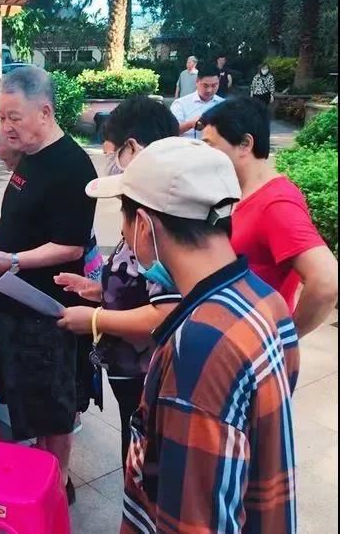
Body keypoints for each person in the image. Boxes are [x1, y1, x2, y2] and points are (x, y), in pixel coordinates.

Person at [87, 137, 299, 533]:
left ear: (144, 226)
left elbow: (194, 520)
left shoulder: (199, 349)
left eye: (125, 218)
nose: (123, 231)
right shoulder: (267, 300)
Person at [0, 67, 98, 505]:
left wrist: (11, 259)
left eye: (14, 117)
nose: (7, 127)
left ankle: (58, 483)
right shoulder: (29, 154)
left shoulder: (71, 166)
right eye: (2, 117)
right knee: (30, 400)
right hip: (13, 301)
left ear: (45, 112)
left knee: (54, 402)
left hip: (46, 308)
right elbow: (29, 214)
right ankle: (42, 467)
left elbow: (70, 246)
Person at [55, 96, 182, 465]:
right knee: (133, 444)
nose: (109, 162)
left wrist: (96, 319)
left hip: (148, 371)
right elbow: (141, 283)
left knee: (145, 459)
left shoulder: (163, 220)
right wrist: (97, 290)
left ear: (133, 148)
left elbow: (165, 313)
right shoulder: (144, 204)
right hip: (127, 366)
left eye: (111, 152)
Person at [201, 98, 338, 336]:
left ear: (245, 144)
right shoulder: (235, 191)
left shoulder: (277, 203)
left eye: (210, 145)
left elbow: (327, 282)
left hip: (252, 344)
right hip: (224, 336)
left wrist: (286, 338)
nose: (203, 155)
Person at [170, 65, 224, 139]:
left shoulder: (224, 104)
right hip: (187, 145)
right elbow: (170, 132)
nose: (209, 90)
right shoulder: (180, 104)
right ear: (197, 81)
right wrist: (190, 124)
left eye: (214, 85)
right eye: (205, 85)